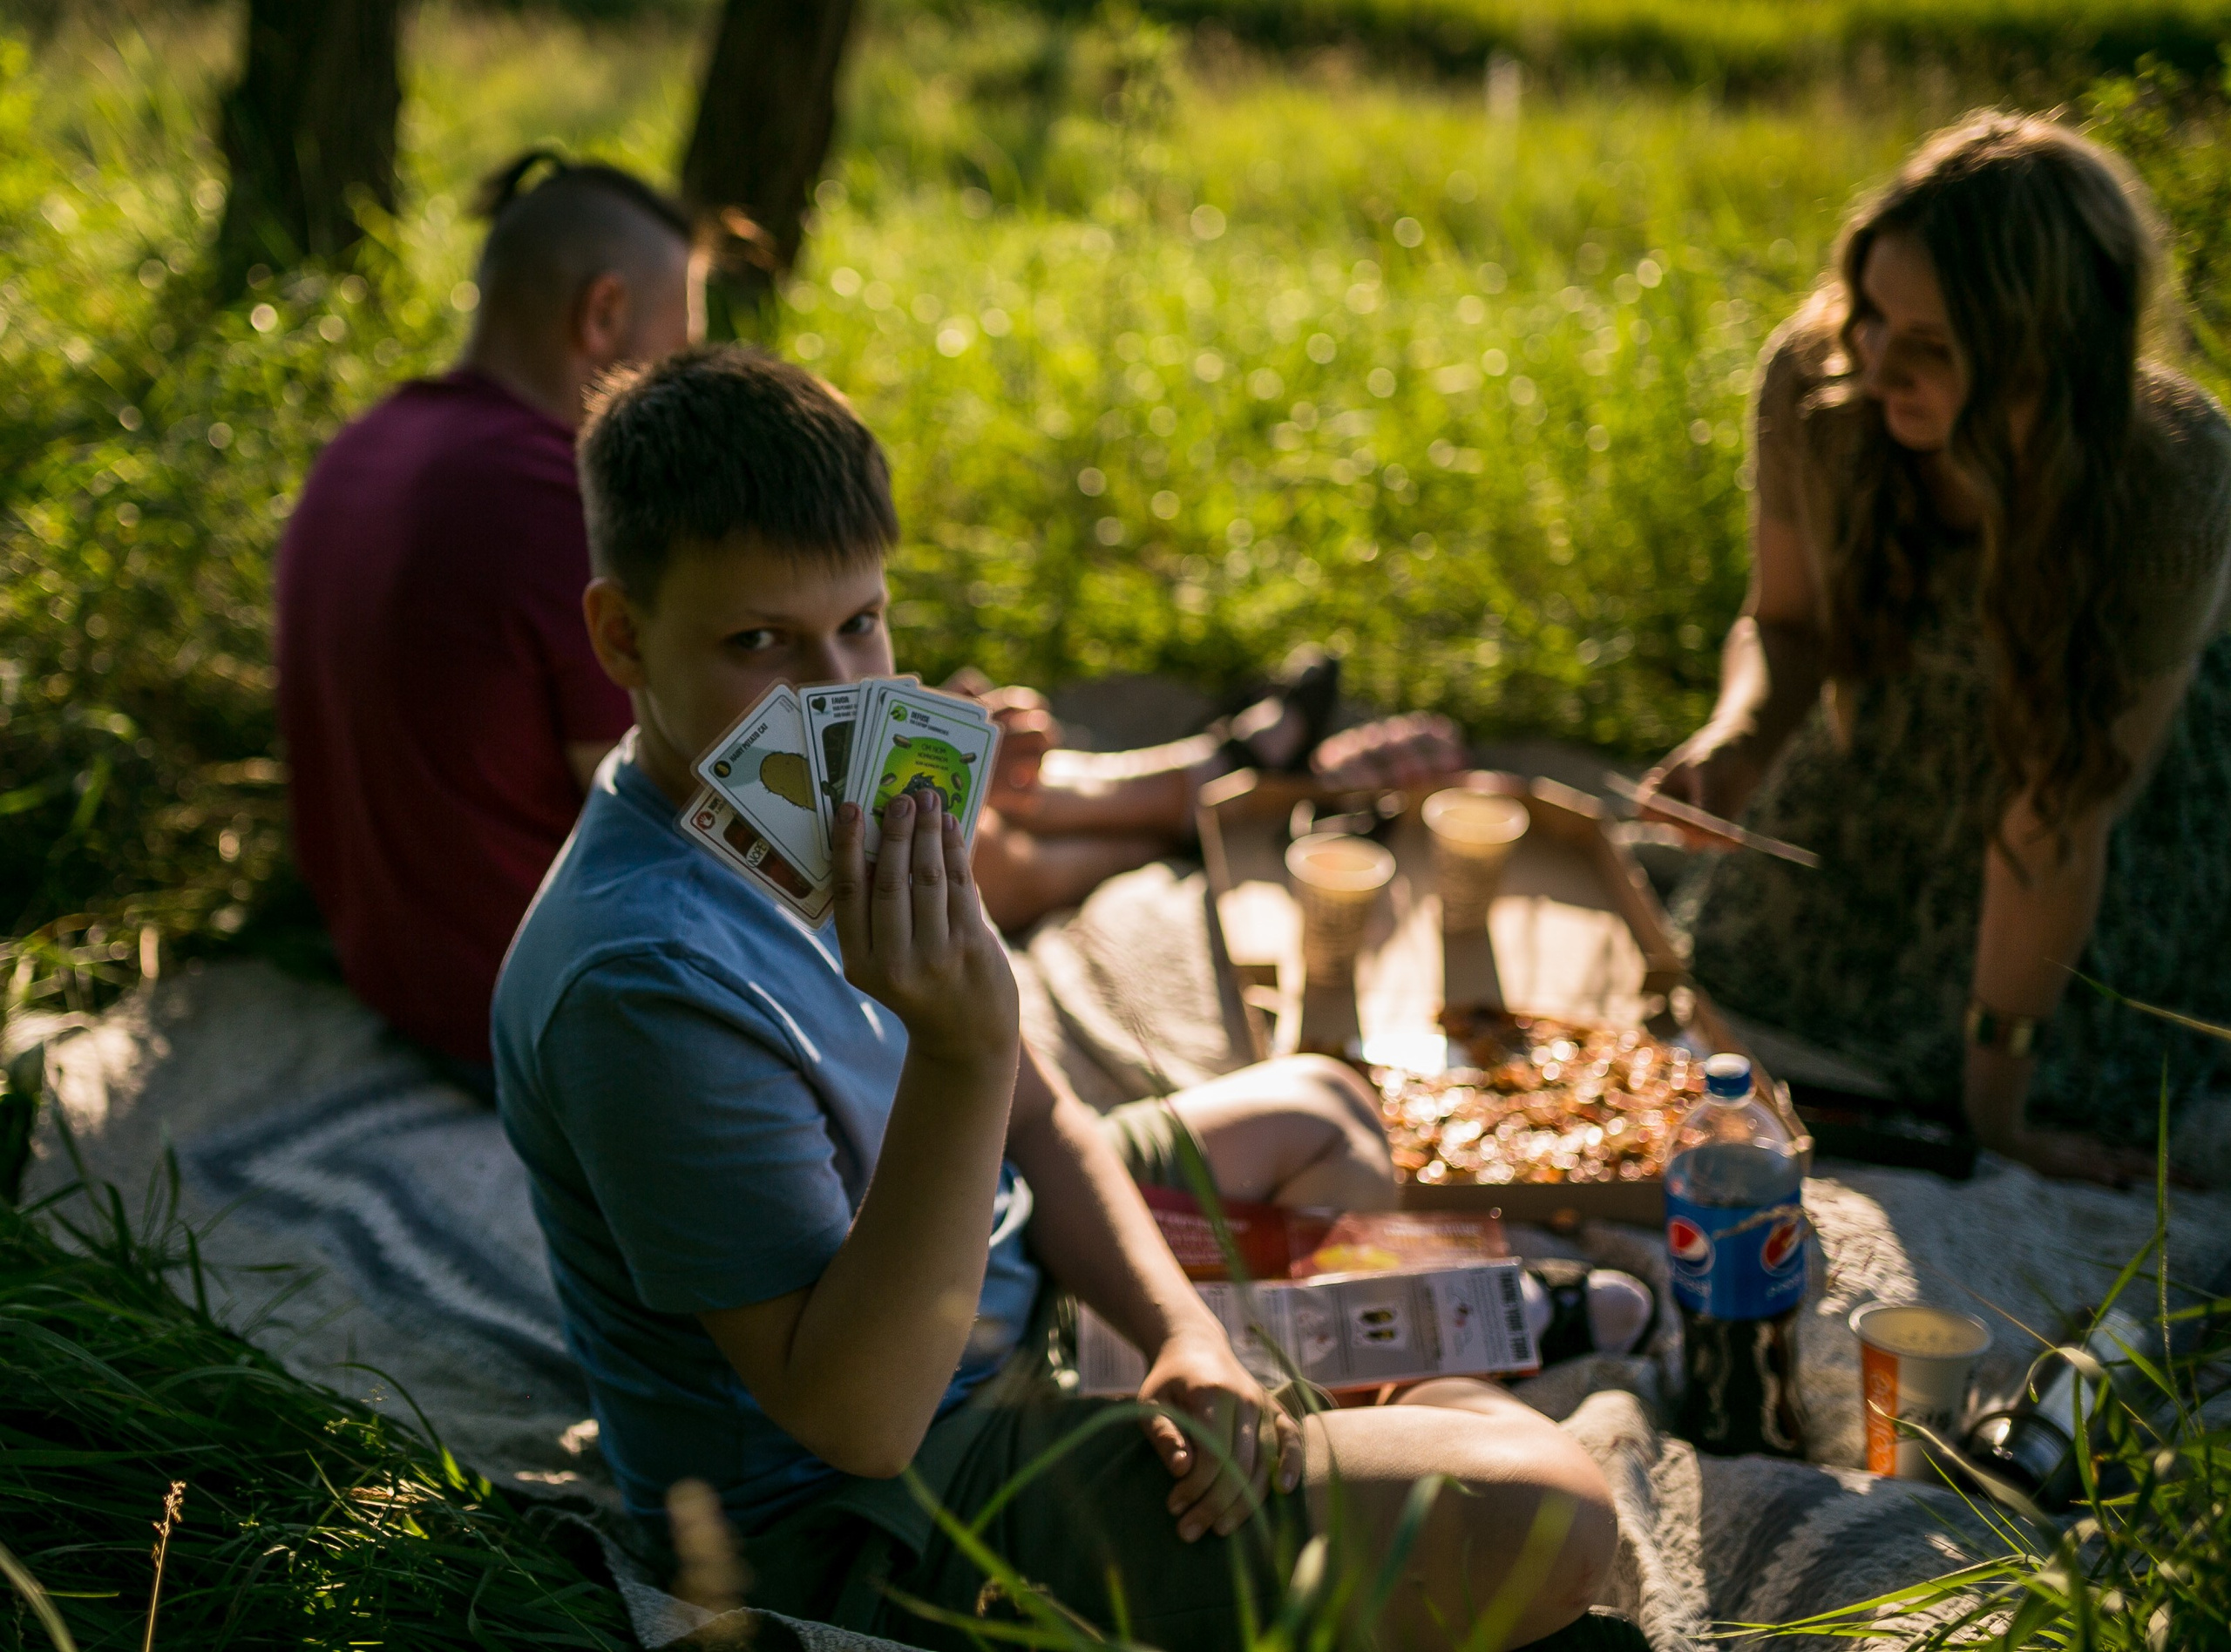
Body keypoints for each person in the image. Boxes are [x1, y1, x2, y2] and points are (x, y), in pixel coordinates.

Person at [493, 346, 1618, 1650]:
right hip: (879, 1502)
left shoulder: (840, 806)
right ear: (622, 634)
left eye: (861, 622)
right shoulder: (640, 985)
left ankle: (1312, 1409)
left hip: (994, 1286)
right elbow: (859, 1419)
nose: (838, 695)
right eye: (760, 642)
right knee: (1551, 1512)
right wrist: (964, 1053)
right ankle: (1391, 1426)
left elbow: (1038, 1119)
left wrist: (1182, 1332)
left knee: (1326, 1110)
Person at [1641, 113, 2231, 1186]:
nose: (1875, 365)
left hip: (2100, 803)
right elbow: (1786, 628)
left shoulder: (2171, 468)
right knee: (1747, 980)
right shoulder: (1816, 383)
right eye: (1869, 315)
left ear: (2046, 356)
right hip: (1892, 751)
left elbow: (2060, 813)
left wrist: (1994, 1111)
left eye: (1929, 347)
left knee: (2080, 1071)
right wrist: (1736, 738)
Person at [276, 152, 694, 1083]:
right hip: (528, 1012)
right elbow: (683, 810)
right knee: (898, 867)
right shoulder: (549, 497)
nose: (682, 379)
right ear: (604, 315)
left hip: (389, 966)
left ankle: (1102, 799)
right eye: (679, 346)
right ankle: (1097, 813)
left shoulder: (363, 443)